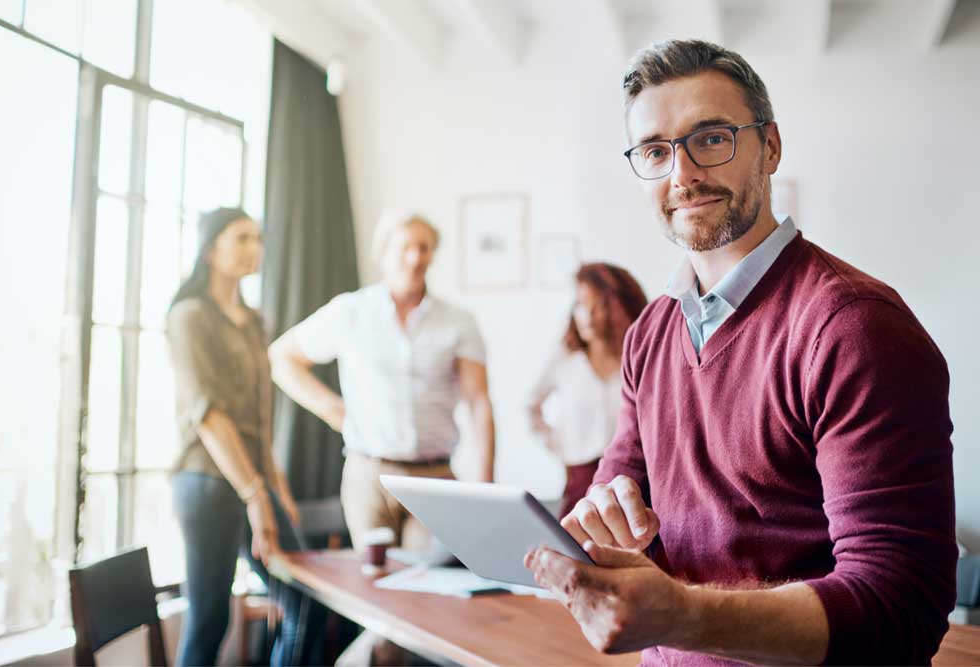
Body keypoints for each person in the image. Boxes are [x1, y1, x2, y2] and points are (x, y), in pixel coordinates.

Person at [524, 40, 956, 666]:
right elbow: (616, 488)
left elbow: (901, 609)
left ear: (770, 147)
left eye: (712, 137)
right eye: (655, 151)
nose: (683, 174)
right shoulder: (649, 332)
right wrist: (602, 521)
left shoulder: (855, 327)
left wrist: (683, 613)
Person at [269, 210, 495, 552]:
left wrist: (486, 485)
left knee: (428, 587)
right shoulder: (350, 312)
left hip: (435, 478)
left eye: (424, 247)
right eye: (405, 246)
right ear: (383, 253)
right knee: (374, 587)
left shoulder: (459, 322)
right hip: (369, 476)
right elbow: (282, 358)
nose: (415, 257)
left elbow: (479, 402)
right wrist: (333, 410)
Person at [167, 208, 312, 666]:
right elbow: (208, 414)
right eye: (241, 238)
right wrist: (256, 494)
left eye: (258, 238)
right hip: (206, 482)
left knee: (304, 602)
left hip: (253, 480)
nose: (255, 248)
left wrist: (277, 487)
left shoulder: (253, 321)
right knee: (210, 620)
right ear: (211, 250)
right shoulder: (189, 316)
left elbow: (261, 415)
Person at [528, 262, 647, 518]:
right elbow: (530, 406)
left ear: (620, 307)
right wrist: (560, 446)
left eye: (599, 304)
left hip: (634, 490)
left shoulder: (641, 359)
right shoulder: (566, 360)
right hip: (579, 483)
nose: (589, 315)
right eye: (581, 304)